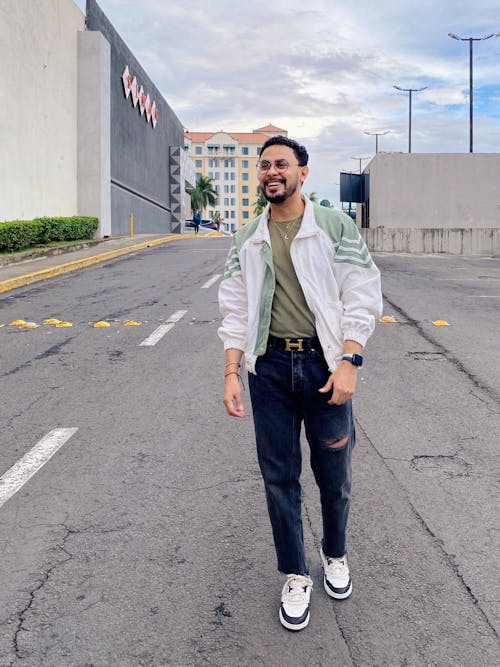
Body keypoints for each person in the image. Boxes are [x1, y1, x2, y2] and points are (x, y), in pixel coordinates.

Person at [218, 136, 382, 631]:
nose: (272, 171)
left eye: (281, 164)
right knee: (278, 478)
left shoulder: (335, 226)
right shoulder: (247, 236)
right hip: (266, 370)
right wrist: (230, 371)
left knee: (334, 473)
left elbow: (362, 292)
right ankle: (294, 572)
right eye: (264, 165)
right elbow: (235, 307)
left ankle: (335, 554)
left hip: (322, 366)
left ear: (302, 172)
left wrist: (350, 360)